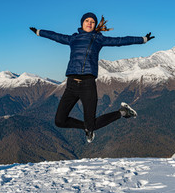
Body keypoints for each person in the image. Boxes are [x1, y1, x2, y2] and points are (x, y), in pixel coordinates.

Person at [30, 12, 154, 143]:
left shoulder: (98, 39)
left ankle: (123, 112)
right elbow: (55, 36)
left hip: (87, 86)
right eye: (87, 21)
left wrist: (143, 39)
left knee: (92, 125)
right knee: (60, 121)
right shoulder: (73, 39)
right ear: (82, 23)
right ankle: (86, 128)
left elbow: (120, 41)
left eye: (92, 22)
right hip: (71, 85)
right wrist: (39, 32)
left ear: (95, 25)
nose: (89, 23)